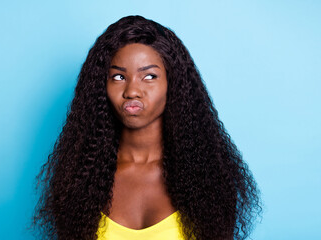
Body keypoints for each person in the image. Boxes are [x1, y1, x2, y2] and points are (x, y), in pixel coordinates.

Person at [33, 15, 261, 240]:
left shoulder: (207, 177)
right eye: (119, 76)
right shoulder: (80, 178)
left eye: (149, 76)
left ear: (174, 83)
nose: (132, 90)